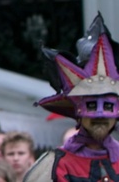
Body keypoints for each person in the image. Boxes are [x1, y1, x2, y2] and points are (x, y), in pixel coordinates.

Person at [25, 13, 119, 181]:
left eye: (107, 106)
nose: (99, 115)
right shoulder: (53, 166)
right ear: (77, 110)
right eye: (91, 105)